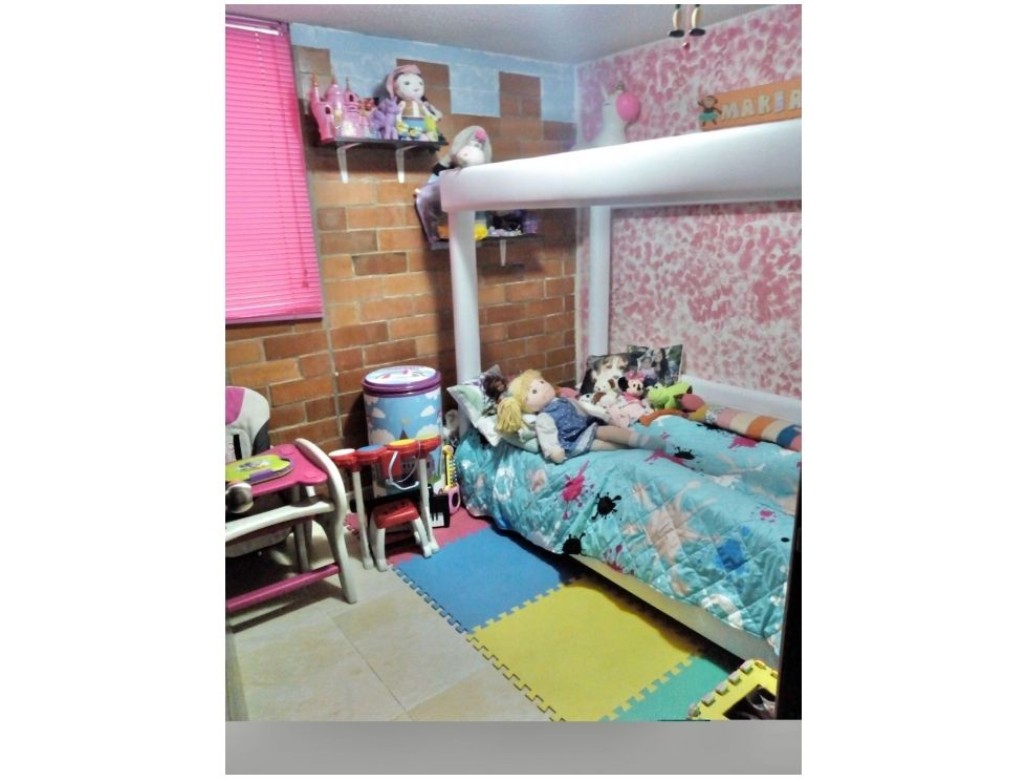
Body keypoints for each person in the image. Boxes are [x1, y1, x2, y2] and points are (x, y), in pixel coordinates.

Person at [495, 369, 667, 464]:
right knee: (604, 445)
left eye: (541, 382)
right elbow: (547, 436)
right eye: (534, 391)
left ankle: (642, 440)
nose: (543, 387)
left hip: (587, 426)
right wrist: (554, 452)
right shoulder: (543, 417)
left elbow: (584, 408)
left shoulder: (563, 399)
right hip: (574, 441)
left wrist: (605, 416)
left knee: (609, 431)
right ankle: (633, 449)